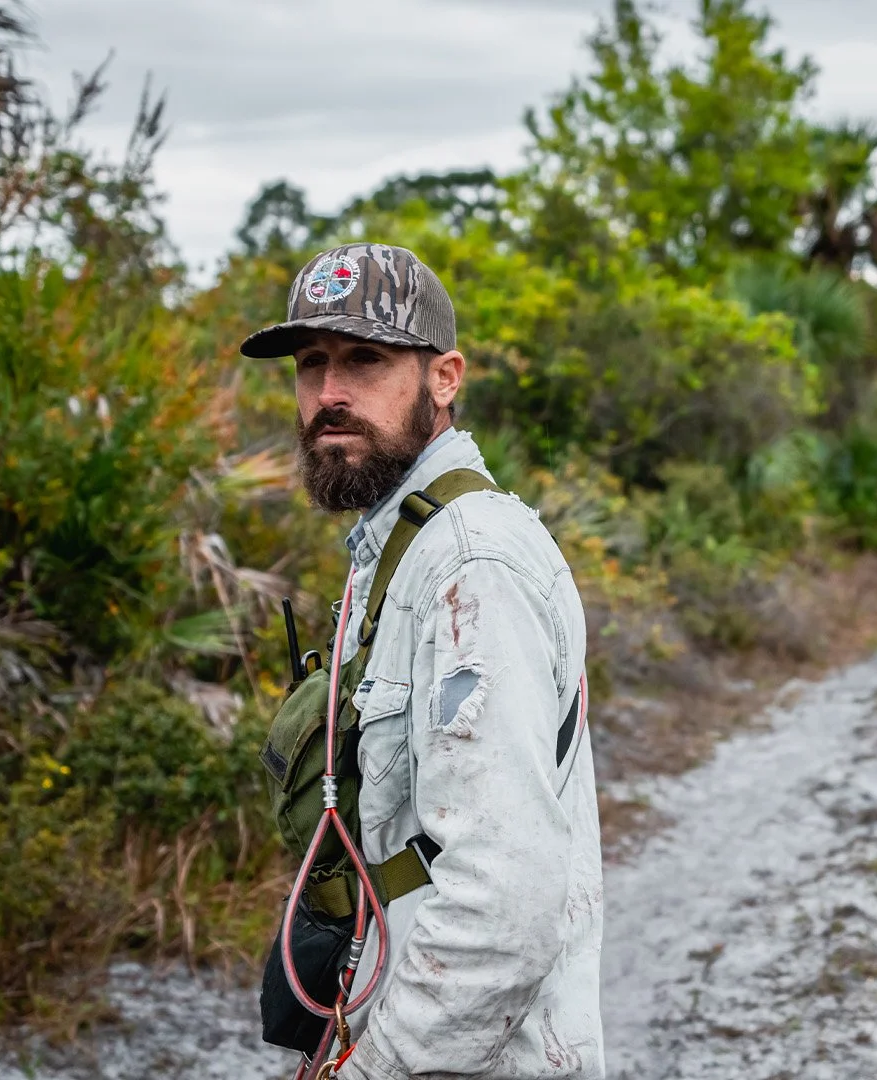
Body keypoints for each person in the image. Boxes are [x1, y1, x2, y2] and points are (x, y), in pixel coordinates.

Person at [242, 243, 604, 1079]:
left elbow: (502, 904)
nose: (329, 394)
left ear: (445, 378)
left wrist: (377, 1071)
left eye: (364, 360)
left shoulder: (471, 564)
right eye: (311, 364)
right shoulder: (403, 543)